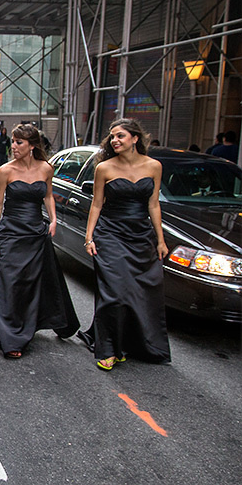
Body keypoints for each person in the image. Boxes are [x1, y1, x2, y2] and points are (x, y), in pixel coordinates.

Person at [0, 124, 79, 358]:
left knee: (31, 283)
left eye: (19, 142)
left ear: (32, 145)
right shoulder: (5, 170)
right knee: (9, 282)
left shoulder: (46, 168)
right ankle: (11, 335)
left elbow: (47, 195)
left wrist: (53, 220)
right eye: (13, 141)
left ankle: (27, 323)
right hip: (11, 231)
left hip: (36, 232)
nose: (13, 146)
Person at [84, 119, 171, 370]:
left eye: (120, 136)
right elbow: (97, 204)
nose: (115, 141)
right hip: (110, 233)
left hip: (141, 235)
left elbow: (153, 204)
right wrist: (89, 237)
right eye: (112, 137)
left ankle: (128, 344)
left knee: (139, 292)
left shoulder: (154, 166)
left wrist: (160, 240)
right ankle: (109, 348)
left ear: (135, 138)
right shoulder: (105, 168)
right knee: (115, 291)